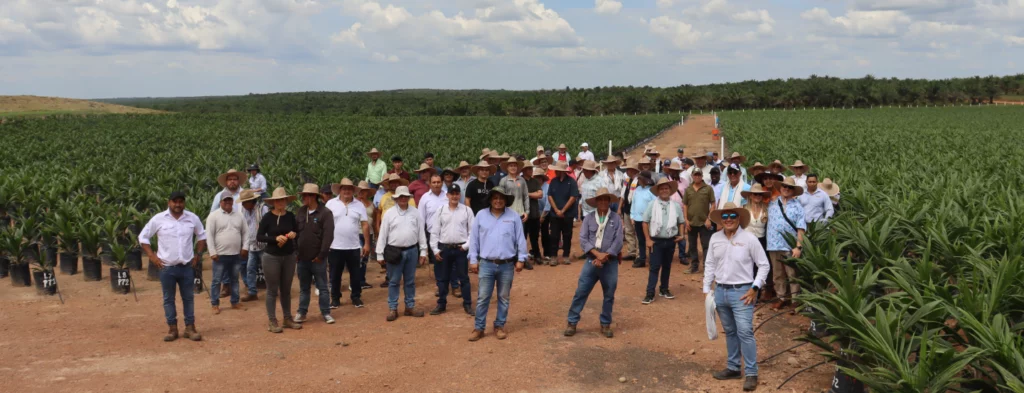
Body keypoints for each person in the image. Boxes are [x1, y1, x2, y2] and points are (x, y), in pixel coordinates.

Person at [703, 203, 770, 392]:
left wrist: (755, 287)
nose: (729, 219)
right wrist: (706, 289)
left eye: (733, 215)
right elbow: (709, 264)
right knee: (730, 331)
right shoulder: (715, 238)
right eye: (725, 216)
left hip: (742, 293)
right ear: (721, 220)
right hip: (721, 291)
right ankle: (733, 367)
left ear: (739, 218)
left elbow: (764, 265)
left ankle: (751, 372)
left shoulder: (749, 239)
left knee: (745, 332)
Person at [139, 191, 207, 342]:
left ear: (184, 203)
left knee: (188, 298)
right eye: (174, 201)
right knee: (168, 299)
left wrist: (199, 254)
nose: (178, 204)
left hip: (187, 267)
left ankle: (190, 328)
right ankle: (172, 329)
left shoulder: (192, 218)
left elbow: (202, 235)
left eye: (181, 201)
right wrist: (152, 257)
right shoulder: (158, 219)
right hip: (167, 268)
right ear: (168, 202)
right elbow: (143, 237)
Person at [468, 187, 528, 341]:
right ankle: (479, 328)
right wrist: (473, 260)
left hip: (506, 265)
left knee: (504, 297)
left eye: (501, 198)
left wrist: (521, 259)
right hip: (486, 263)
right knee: (483, 297)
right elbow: (474, 240)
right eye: (495, 197)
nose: (498, 201)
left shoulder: (513, 216)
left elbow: (520, 239)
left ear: (506, 200)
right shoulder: (481, 215)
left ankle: (499, 325)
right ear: (490, 199)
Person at [565, 188, 623, 338]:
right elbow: (583, 239)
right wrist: (597, 255)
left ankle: (605, 324)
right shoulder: (589, 218)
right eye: (600, 199)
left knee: (609, 294)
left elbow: (618, 240)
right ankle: (572, 322)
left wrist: (606, 255)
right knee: (581, 292)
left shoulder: (616, 219)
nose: (603, 202)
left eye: (606, 200)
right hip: (591, 260)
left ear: (609, 202)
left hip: (610, 262)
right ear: (596, 202)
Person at [376, 186, 428, 321]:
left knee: (410, 281)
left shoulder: (415, 213)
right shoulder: (389, 213)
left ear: (408, 198)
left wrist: (423, 251)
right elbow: (383, 234)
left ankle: (410, 306)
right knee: (394, 281)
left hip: (412, 250)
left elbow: (421, 232)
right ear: (396, 198)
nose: (403, 199)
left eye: (405, 196)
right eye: (401, 197)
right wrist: (379, 253)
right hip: (394, 251)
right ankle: (393, 308)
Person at [256, 187, 303, 333]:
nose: (280, 202)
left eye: (282, 200)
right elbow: (259, 236)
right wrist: (275, 238)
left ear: (286, 201)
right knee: (272, 290)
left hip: (288, 256)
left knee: (286, 289)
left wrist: (293, 234)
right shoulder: (268, 217)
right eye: (277, 200)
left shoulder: (289, 216)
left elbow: (296, 230)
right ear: (273, 202)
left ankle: (287, 318)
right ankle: (272, 321)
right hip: (272, 256)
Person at [429, 184, 475, 316]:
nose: (454, 196)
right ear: (447, 195)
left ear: (460, 195)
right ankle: (441, 304)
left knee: (464, 278)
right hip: (445, 248)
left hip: (461, 249)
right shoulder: (441, 210)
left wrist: (466, 246)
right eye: (452, 193)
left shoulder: (467, 211)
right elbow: (435, 231)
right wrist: (435, 249)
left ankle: (467, 304)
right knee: (443, 279)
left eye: (457, 193)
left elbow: (473, 232)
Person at [294, 184, 336, 325]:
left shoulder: (325, 213)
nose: (304, 198)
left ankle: (326, 312)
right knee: (304, 288)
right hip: (302, 258)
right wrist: (296, 252)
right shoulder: (300, 212)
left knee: (322, 287)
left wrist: (321, 255)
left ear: (313, 197)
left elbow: (328, 236)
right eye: (303, 195)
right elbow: (295, 233)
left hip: (318, 259)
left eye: (306, 195)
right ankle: (302, 312)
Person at [326, 178, 370, 309]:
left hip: (354, 246)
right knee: (335, 274)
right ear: (339, 190)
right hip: (334, 246)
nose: (347, 191)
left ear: (353, 191)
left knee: (355, 274)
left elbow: (365, 224)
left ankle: (356, 297)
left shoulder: (359, 205)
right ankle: (335, 298)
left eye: (349, 189)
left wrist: (367, 243)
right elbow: (325, 224)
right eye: (344, 188)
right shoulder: (330, 204)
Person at [641, 178, 686, 305]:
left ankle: (664, 289)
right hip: (656, 241)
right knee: (654, 267)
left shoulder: (676, 205)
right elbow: (645, 222)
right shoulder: (652, 205)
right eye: (662, 188)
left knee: (667, 266)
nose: (664, 191)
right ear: (658, 191)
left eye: (666, 188)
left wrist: (681, 235)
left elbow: (681, 222)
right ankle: (650, 293)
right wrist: (648, 239)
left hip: (670, 240)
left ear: (670, 190)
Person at [767, 178, 806, 310]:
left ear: (793, 190)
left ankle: (795, 300)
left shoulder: (798, 206)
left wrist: (798, 246)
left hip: (789, 245)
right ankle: (781, 297)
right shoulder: (772, 203)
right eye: (784, 186)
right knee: (777, 274)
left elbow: (801, 228)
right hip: (773, 243)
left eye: (789, 187)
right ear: (780, 187)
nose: (786, 189)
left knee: (792, 273)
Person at [205, 192, 247, 314]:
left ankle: (234, 301)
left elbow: (245, 233)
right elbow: (209, 235)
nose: (228, 202)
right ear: (221, 202)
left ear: (233, 201)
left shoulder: (239, 215)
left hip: (235, 254)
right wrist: (212, 252)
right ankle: (215, 304)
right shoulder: (213, 216)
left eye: (230, 200)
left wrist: (245, 247)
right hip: (219, 255)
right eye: (225, 200)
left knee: (234, 279)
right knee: (217, 280)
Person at [741, 184, 774, 302]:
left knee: (759, 267)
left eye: (760, 194)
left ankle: (757, 293)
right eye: (755, 194)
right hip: (746, 240)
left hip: (761, 240)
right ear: (750, 195)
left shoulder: (766, 208)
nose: (757, 196)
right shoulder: (744, 208)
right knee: (746, 266)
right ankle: (745, 292)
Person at [683, 168, 716, 274]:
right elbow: (685, 205)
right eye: (695, 175)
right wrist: (686, 220)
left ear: (701, 176)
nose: (697, 177)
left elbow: (713, 204)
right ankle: (694, 266)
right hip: (691, 222)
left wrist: (709, 219)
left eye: (699, 175)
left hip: (704, 222)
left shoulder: (708, 189)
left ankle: (707, 267)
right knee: (692, 246)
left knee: (706, 245)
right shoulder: (688, 189)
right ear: (692, 176)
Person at [546, 161, 580, 266]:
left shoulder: (572, 182)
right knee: (554, 236)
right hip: (555, 214)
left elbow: (573, 197)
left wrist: (563, 210)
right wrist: (556, 210)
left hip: (567, 214)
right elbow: (550, 196)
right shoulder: (553, 181)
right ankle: (553, 256)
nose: (555, 172)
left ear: (562, 171)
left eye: (557, 170)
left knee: (567, 235)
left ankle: (566, 255)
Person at [239, 189, 267, 302]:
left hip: (263, 245)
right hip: (250, 245)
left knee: (268, 269)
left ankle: (273, 291)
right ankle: (252, 292)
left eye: (244, 202)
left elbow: (268, 224)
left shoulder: (262, 208)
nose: (242, 204)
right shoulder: (243, 210)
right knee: (250, 269)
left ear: (251, 201)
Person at [661, 161, 690, 266]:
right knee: (668, 233)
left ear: (678, 172)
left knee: (681, 234)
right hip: (668, 211)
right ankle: (668, 255)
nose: (674, 172)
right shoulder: (665, 182)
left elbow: (688, 197)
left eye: (676, 171)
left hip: (681, 211)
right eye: (672, 170)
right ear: (669, 171)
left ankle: (682, 255)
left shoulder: (685, 182)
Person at [628, 171, 655, 268]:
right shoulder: (637, 189)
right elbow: (633, 204)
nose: (638, 180)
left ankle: (653, 259)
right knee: (641, 240)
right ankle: (642, 258)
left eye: (639, 179)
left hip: (648, 220)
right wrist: (632, 216)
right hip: (638, 219)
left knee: (650, 239)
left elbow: (654, 206)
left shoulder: (652, 191)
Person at [522, 161, 545, 268]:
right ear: (523, 170)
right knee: (522, 238)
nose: (531, 171)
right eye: (528, 169)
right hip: (522, 214)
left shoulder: (534, 181)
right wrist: (533, 195)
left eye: (531, 169)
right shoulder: (520, 181)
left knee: (534, 237)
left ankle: (537, 256)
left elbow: (540, 194)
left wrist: (527, 195)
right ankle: (523, 258)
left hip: (534, 213)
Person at [356, 181, 377, 290]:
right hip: (358, 233)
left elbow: (373, 219)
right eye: (360, 191)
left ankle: (362, 280)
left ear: (367, 193)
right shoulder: (354, 203)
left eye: (364, 191)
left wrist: (376, 233)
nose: (361, 193)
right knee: (358, 258)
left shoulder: (371, 204)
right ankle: (356, 280)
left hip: (369, 233)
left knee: (364, 258)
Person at [618, 160, 640, 262]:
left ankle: (639, 253)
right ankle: (632, 252)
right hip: (627, 208)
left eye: (630, 169)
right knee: (629, 231)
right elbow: (623, 195)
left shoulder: (639, 181)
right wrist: (619, 208)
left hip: (635, 210)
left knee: (637, 232)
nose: (628, 171)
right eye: (627, 169)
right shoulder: (627, 180)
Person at [498, 158, 531, 224]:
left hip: (520, 213)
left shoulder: (522, 180)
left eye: (514, 166)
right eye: (511, 166)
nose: (513, 167)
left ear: (517, 167)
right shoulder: (503, 180)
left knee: (520, 233)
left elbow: (526, 196)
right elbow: (500, 197)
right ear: (507, 168)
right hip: (507, 213)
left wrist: (527, 211)